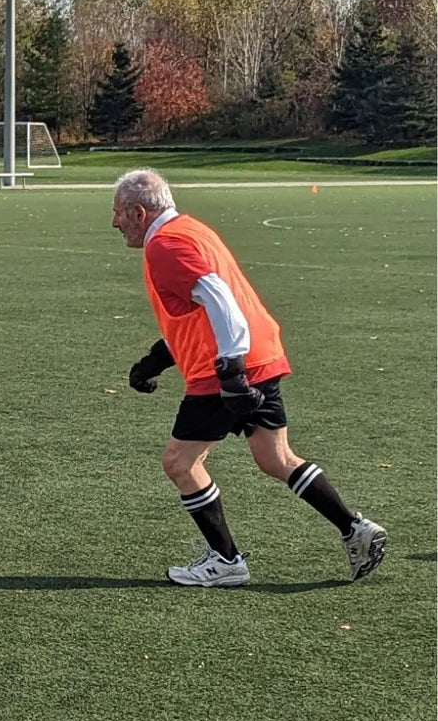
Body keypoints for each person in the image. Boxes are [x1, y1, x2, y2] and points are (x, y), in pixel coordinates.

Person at [113, 168, 386, 586]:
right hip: (261, 355)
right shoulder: (192, 230)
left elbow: (222, 302)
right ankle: (356, 530)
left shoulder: (164, 245)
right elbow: (204, 311)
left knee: (180, 462)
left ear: (138, 211)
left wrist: (232, 374)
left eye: (117, 213)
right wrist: (157, 359)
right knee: (276, 458)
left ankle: (226, 561)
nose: (115, 223)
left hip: (224, 370)